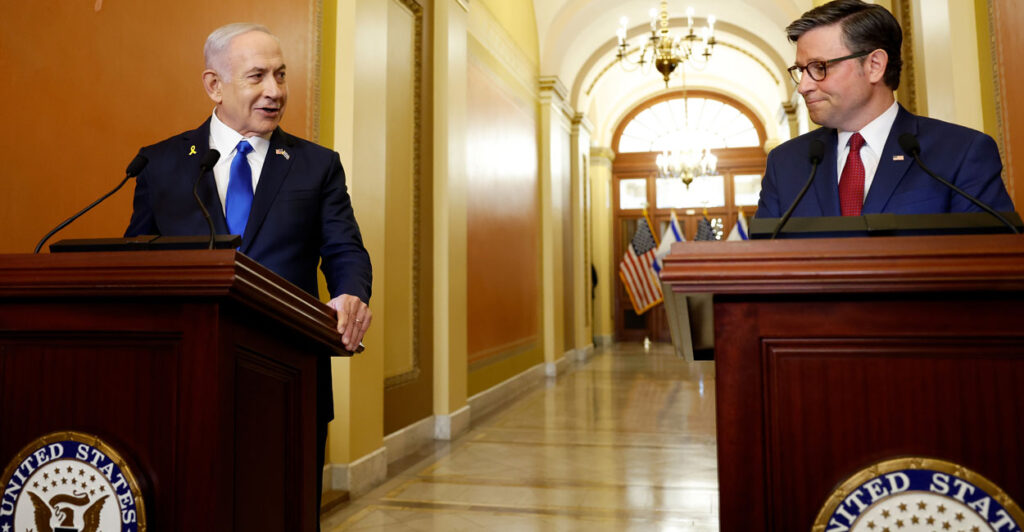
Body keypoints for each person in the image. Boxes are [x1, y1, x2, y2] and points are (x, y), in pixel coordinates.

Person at [124, 22, 372, 518]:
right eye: (257, 76)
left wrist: (350, 292)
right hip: (184, 380)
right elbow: (137, 258)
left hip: (289, 378)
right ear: (214, 85)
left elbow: (344, 247)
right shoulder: (162, 162)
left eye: (281, 75)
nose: (275, 91)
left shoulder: (316, 165)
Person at [756, 0, 1014, 218]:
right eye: (801, 71)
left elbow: (995, 261)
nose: (803, 86)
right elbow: (763, 266)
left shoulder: (960, 153)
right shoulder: (785, 164)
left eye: (819, 67)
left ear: (875, 65)